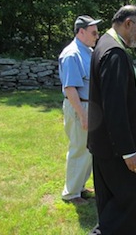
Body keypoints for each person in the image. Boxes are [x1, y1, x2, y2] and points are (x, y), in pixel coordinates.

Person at [87, 5, 136, 234]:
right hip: (118, 153)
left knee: (118, 207)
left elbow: (111, 92)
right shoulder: (115, 53)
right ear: (128, 23)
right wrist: (129, 152)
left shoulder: (104, 44)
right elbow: (114, 108)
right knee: (134, 209)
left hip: (106, 147)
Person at [58, 15, 101, 206]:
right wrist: (83, 115)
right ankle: (71, 194)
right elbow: (70, 88)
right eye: (93, 32)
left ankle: (80, 187)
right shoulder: (71, 54)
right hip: (79, 106)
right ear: (81, 32)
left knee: (88, 150)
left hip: (89, 105)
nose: (97, 36)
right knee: (78, 149)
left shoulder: (88, 51)